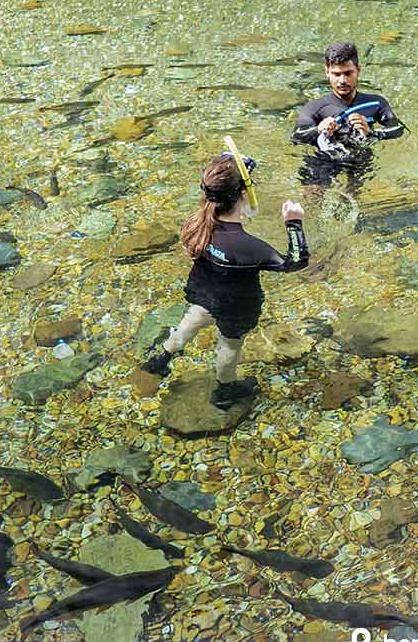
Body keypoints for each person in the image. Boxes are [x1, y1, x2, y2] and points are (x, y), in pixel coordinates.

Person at [139, 151, 308, 409]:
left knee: (193, 319)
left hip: (203, 291)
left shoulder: (195, 223)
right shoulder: (249, 247)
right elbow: (295, 262)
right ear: (243, 195)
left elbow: (219, 180)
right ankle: (225, 389)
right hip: (234, 307)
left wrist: (237, 167)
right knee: (230, 345)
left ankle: (163, 357)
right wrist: (293, 223)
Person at [291, 41, 404, 193]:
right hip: (325, 158)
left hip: (359, 157)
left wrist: (373, 133)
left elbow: (398, 129)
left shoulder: (375, 103)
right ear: (327, 72)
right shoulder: (315, 107)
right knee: (313, 196)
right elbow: (296, 136)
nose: (342, 80)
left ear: (358, 71)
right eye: (336, 74)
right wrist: (319, 129)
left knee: (356, 198)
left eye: (348, 73)